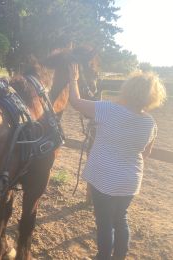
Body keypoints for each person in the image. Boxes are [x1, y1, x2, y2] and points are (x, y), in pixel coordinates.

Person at [68, 64, 167, 260]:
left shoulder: (108, 109)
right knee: (120, 219)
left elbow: (75, 101)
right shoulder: (150, 123)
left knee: (104, 223)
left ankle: (103, 257)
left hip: (104, 177)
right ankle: (119, 256)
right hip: (130, 180)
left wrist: (73, 79)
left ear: (128, 89)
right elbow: (145, 153)